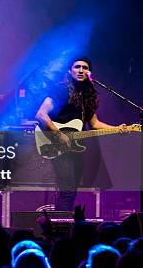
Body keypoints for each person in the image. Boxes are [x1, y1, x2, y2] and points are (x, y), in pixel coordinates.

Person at [35, 56, 125, 211]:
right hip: (56, 143)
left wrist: (118, 129)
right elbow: (41, 115)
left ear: (89, 72)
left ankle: (61, 224)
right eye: (77, 67)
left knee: (71, 191)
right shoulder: (61, 89)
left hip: (74, 148)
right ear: (70, 71)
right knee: (68, 191)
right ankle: (62, 230)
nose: (81, 70)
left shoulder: (88, 96)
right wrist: (59, 134)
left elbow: (95, 124)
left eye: (85, 67)